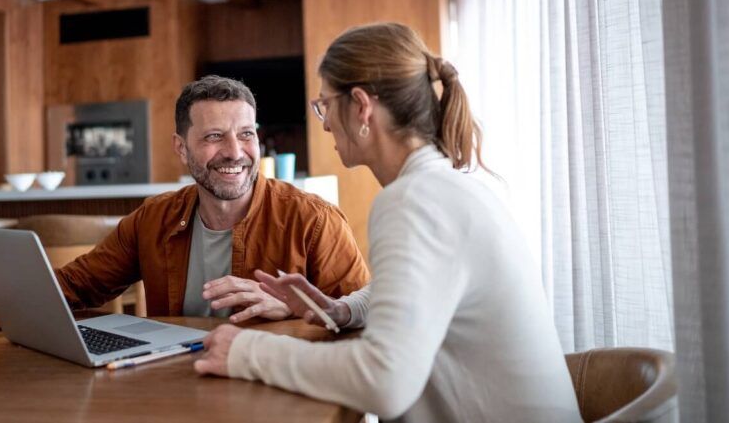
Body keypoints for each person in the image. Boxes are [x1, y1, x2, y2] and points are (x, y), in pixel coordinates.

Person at [194, 24, 581, 422]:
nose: (324, 124)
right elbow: (422, 290)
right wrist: (342, 310)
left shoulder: (413, 200)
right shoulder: (444, 186)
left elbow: (385, 381)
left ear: (361, 106)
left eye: (325, 104)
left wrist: (244, 351)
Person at [0, 76, 369, 336]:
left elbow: (367, 319)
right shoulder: (153, 219)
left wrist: (293, 308)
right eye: (214, 136)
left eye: (246, 134)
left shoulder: (313, 221)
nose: (236, 151)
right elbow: (75, 287)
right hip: (175, 386)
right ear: (181, 146)